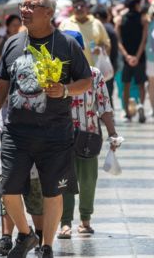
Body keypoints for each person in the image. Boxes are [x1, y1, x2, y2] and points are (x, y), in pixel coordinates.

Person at [0, 0, 92, 258]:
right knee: (7, 188)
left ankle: (47, 246)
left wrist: (65, 90)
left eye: (32, 6)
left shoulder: (67, 44)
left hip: (55, 132)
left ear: (49, 13)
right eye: (23, 5)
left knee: (53, 191)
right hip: (16, 132)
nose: (24, 10)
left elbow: (86, 81)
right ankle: (25, 234)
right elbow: (0, 87)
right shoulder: (12, 43)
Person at [58, 64, 119, 238]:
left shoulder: (94, 74)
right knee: (64, 180)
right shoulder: (55, 73)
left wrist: (112, 133)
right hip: (63, 135)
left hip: (89, 135)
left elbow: (104, 106)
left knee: (88, 179)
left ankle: (85, 219)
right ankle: (65, 222)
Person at [117, 0, 148, 123]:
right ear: (136, 4)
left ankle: (127, 112)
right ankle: (140, 104)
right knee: (141, 84)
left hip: (126, 58)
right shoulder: (143, 19)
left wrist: (127, 56)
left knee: (126, 85)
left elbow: (118, 40)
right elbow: (143, 39)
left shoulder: (120, 19)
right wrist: (137, 56)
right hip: (139, 57)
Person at [59, 0, 110, 66]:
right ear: (72, 9)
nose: (79, 9)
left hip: (94, 71)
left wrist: (100, 49)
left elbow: (107, 45)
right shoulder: (65, 24)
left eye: (81, 6)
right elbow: (58, 46)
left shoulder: (97, 23)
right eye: (75, 7)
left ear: (87, 7)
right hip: (72, 71)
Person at [91, 5, 119, 105]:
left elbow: (107, 49)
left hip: (103, 67)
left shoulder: (102, 28)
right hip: (111, 66)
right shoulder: (110, 27)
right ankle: (110, 116)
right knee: (108, 94)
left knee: (101, 95)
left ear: (97, 16)